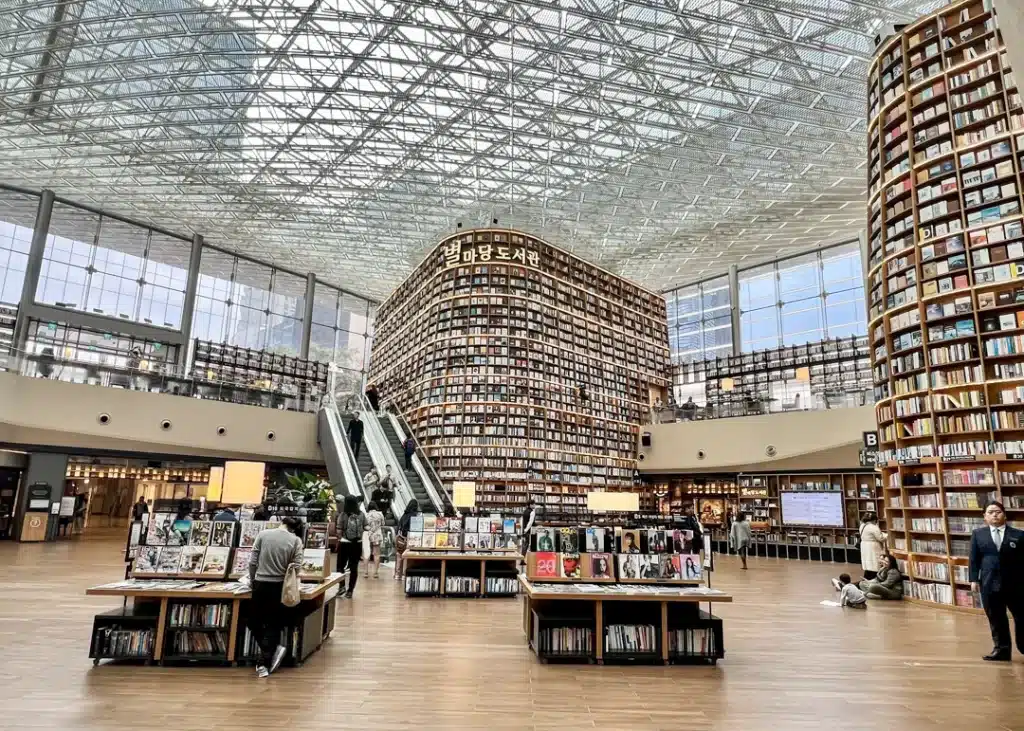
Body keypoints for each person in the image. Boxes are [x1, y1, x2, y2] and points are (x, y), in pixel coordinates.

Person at [247, 516, 303, 678]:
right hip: (279, 585)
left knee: (253, 621)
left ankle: (266, 656)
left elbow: (252, 562)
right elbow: (297, 566)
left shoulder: (263, 535)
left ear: (282, 522)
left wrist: (252, 580)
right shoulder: (295, 541)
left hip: (259, 583)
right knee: (273, 623)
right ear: (294, 528)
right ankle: (265, 660)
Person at [970, 500, 1024, 661]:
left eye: (998, 511)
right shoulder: (978, 534)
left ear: (1005, 515)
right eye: (991, 512)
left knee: (1022, 616)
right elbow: (974, 558)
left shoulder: (1019, 535)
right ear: (985, 517)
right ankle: (1001, 650)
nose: (995, 514)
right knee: (996, 617)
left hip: (1016, 584)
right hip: (989, 582)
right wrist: (974, 579)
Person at [336, 495, 366, 598]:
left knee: (340, 566)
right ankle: (350, 591)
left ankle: (341, 586)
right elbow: (366, 526)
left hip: (345, 542)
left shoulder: (343, 515)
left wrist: (340, 538)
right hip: (357, 543)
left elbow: (339, 530)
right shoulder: (361, 514)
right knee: (354, 567)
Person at [395, 499, 419, 580]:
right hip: (410, 538)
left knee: (399, 556)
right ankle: (404, 575)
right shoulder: (415, 515)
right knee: (407, 556)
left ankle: (397, 574)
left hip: (401, 538)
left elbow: (399, 526)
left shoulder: (404, 515)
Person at [859, 512, 887, 580]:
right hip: (873, 547)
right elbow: (880, 538)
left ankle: (865, 580)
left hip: (864, 546)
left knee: (868, 564)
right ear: (874, 520)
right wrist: (886, 535)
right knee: (875, 563)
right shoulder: (873, 527)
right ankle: (875, 580)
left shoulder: (862, 525)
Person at [364, 501, 385, 579]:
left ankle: (366, 572)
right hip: (377, 535)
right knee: (376, 554)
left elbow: (364, 525)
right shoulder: (380, 514)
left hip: (367, 535)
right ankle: (375, 573)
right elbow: (383, 524)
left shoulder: (366, 515)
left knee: (366, 554)